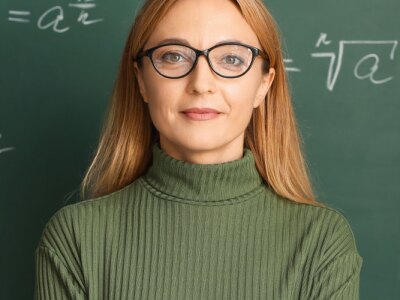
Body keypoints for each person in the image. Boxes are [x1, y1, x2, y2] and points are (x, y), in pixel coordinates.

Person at [34, 0, 363, 299]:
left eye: (231, 58)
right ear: (142, 80)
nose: (201, 83)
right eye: (174, 56)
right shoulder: (75, 239)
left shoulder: (322, 242)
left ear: (263, 84)